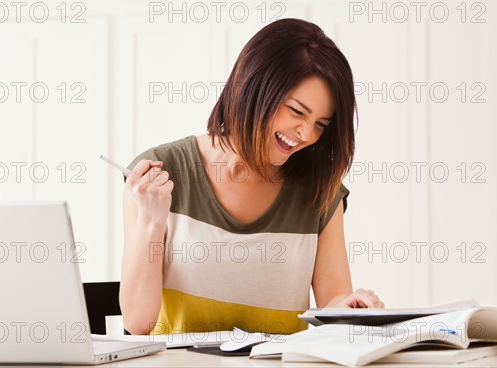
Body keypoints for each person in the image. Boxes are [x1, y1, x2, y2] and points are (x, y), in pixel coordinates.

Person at [120, 18, 384, 336]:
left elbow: (333, 304)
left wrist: (350, 307)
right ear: (254, 89)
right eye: (297, 112)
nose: (305, 134)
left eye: (320, 124)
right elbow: (137, 322)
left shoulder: (320, 192)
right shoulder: (159, 174)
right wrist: (151, 221)